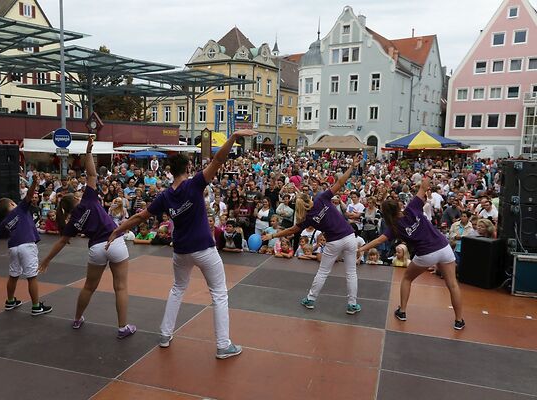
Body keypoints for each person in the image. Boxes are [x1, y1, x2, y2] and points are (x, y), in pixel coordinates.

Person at [107, 129, 254, 359]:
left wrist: (117, 230)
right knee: (219, 294)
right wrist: (234, 137)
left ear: (169, 171)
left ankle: (165, 335)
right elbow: (218, 159)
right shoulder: (194, 184)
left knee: (177, 289)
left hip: (181, 252)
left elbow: (139, 217)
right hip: (204, 249)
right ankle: (223, 345)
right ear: (187, 169)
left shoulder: (165, 196)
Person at [38, 136, 136, 339]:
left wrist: (46, 261)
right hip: (115, 241)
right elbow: (91, 173)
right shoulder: (89, 199)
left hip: (96, 249)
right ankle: (122, 327)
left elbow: (61, 242)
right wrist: (88, 151)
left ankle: (77, 319)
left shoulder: (73, 222)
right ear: (75, 198)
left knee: (89, 286)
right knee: (120, 287)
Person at [358, 174, 465, 330]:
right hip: (444, 247)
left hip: (426, 254)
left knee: (407, 278)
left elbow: (379, 240)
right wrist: (428, 174)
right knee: (453, 285)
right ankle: (459, 320)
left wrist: (361, 249)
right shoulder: (412, 208)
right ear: (398, 205)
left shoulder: (394, 227)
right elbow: (424, 186)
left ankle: (402, 311)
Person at [263, 155, 362, 315]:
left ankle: (310, 299)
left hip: (334, 242)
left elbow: (290, 231)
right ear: (308, 198)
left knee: (323, 272)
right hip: (349, 236)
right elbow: (340, 183)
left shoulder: (307, 218)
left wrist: (272, 236)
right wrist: (352, 167)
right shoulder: (322, 198)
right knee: (351, 273)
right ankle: (352, 304)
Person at [0, 179, 52, 315]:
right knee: (31, 276)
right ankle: (36, 306)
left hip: (13, 247)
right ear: (12, 203)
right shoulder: (20, 209)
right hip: (27, 245)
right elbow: (29, 195)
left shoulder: (5, 221)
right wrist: (35, 182)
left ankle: (10, 301)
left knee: (13, 275)